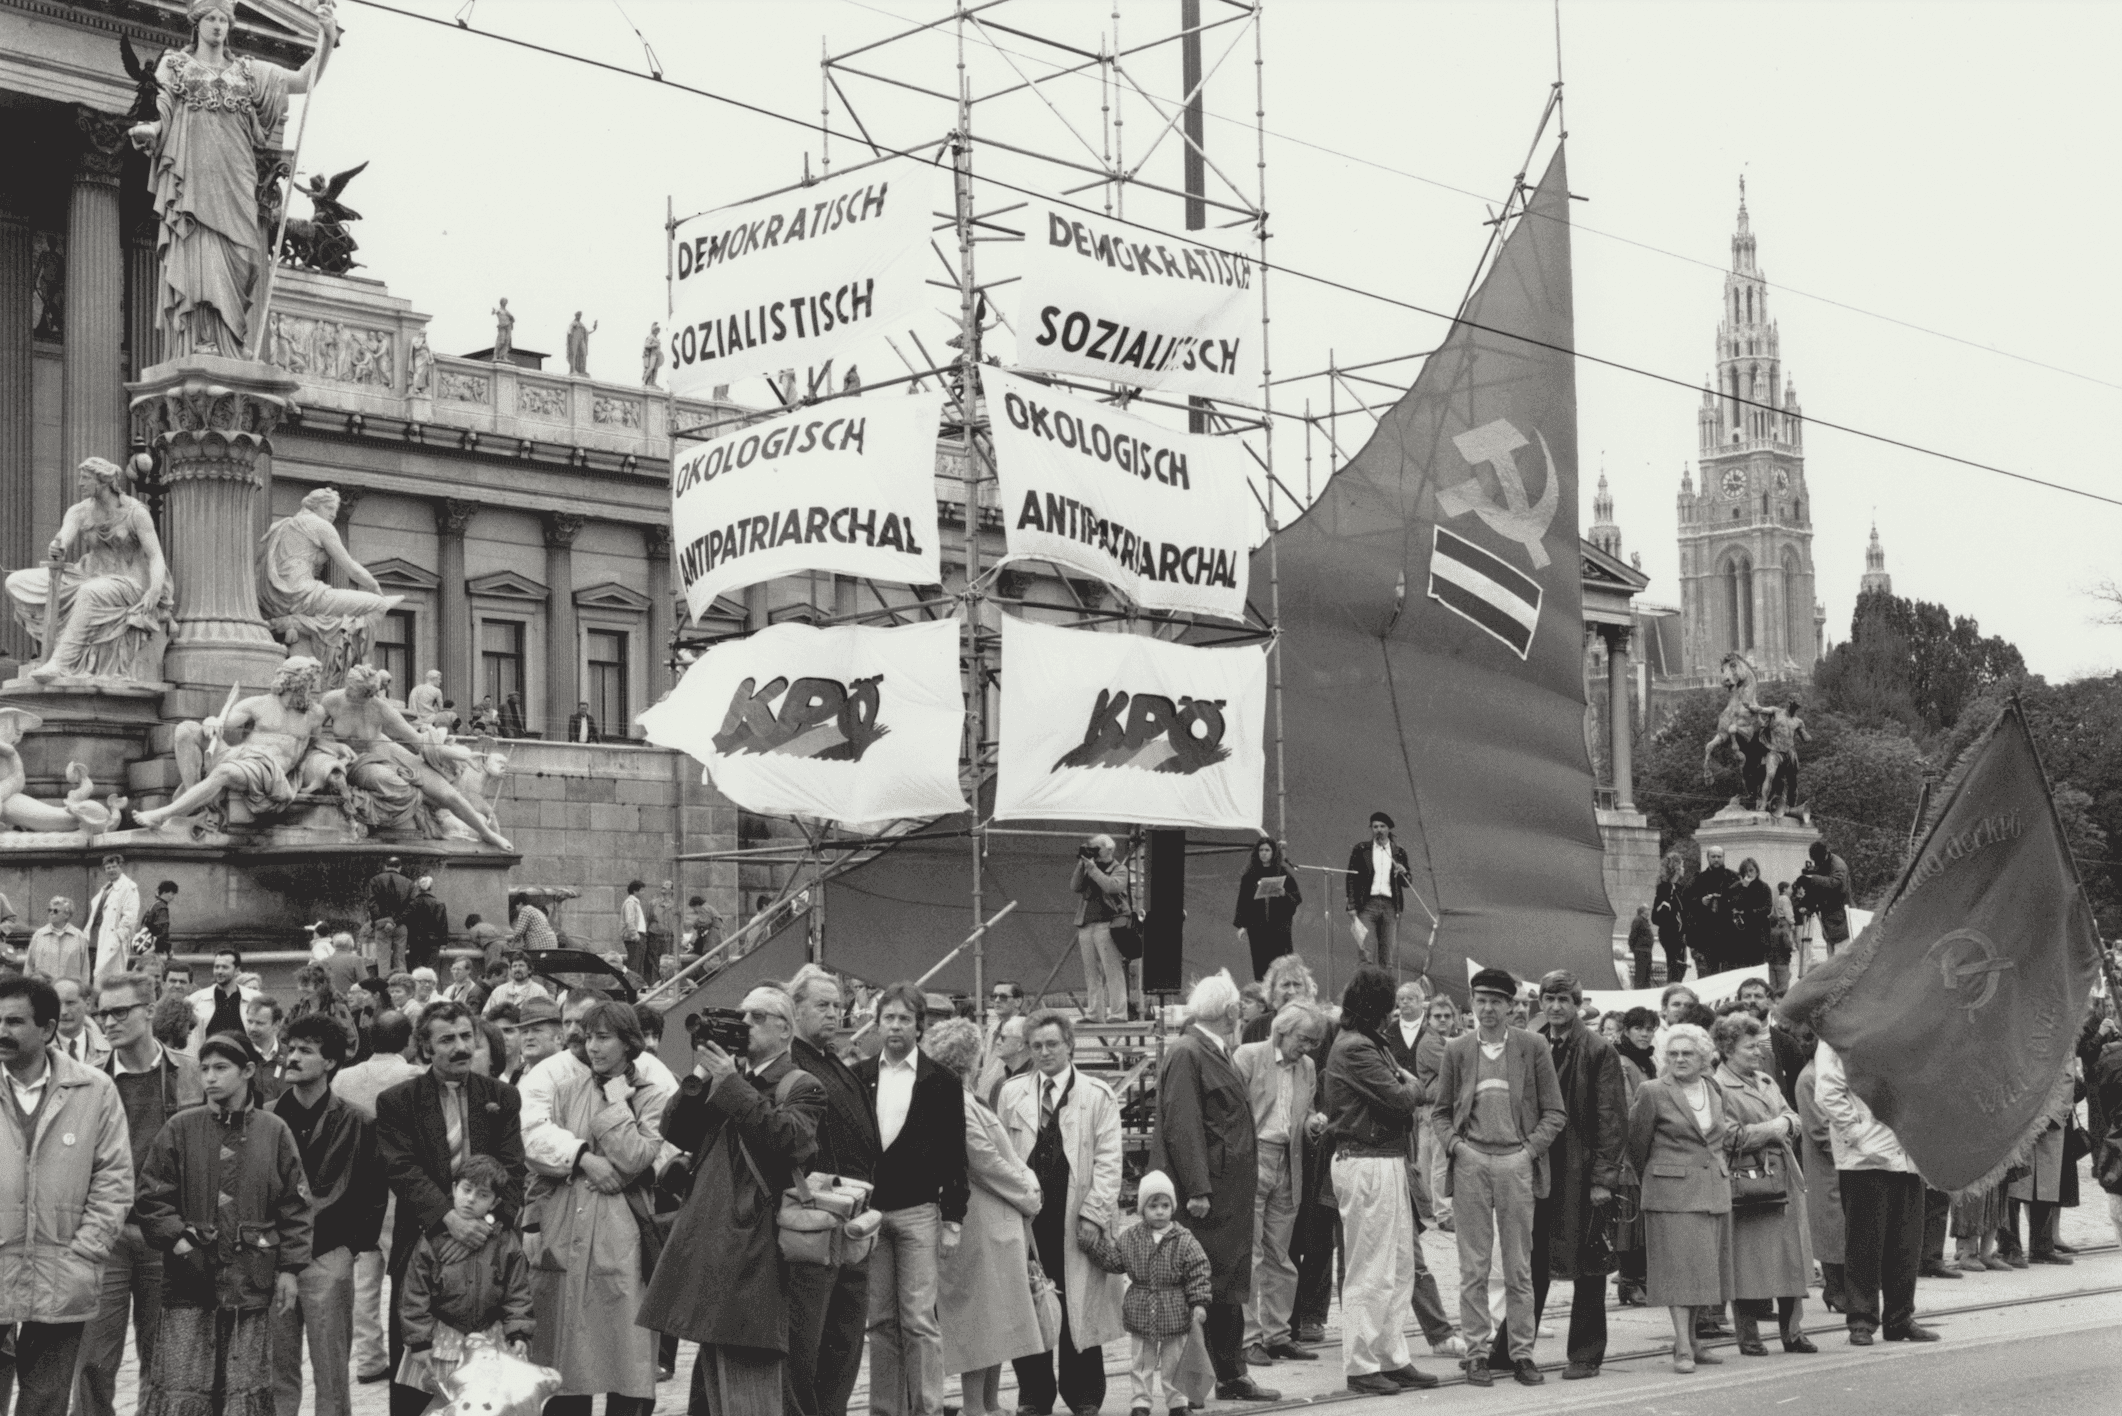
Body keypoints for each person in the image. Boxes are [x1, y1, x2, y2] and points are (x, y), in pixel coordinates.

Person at [637, 984, 825, 1416]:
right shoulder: (728, 1075)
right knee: (713, 1367)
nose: (745, 1025)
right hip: (711, 1236)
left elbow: (791, 1140)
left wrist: (730, 1082)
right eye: (741, 1016)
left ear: (785, 1029)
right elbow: (677, 1131)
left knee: (750, 1374)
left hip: (757, 1242)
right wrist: (700, 1076)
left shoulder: (803, 1084)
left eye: (757, 1017)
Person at [133, 1030, 312, 1416]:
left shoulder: (273, 1130)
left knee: (244, 1385)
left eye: (221, 1068)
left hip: (251, 1281)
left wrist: (290, 1270)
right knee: (185, 1385)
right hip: (189, 1281)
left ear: (248, 1070)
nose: (210, 1077)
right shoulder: (181, 1128)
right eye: (205, 1069)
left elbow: (294, 1205)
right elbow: (151, 1196)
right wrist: (178, 1239)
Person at [374, 1001, 528, 1416]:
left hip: (491, 1256)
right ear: (425, 1049)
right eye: (447, 1039)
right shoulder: (396, 1102)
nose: (460, 1047)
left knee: (490, 1385)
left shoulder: (502, 1098)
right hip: (422, 1251)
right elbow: (401, 1169)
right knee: (417, 1381)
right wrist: (450, 1222)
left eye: (466, 1037)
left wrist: (488, 1225)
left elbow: (514, 1169)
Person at [522, 1000, 673, 1416]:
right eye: (589, 1037)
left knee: (628, 1353)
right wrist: (582, 1155)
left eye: (603, 1037)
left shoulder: (651, 1094)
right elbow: (535, 1152)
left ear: (628, 1043)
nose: (593, 1046)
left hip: (624, 1237)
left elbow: (636, 1158)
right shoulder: (567, 1089)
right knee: (565, 1358)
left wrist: (615, 1104)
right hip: (566, 1230)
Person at [0, 974, 134, 1416]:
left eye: (15, 1021)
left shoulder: (94, 1091)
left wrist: (86, 1252)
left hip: (63, 1275)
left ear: (48, 1029)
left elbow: (114, 1179)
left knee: (45, 1403)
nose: (1, 1030)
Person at [72, 973, 203, 1416]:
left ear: (149, 1011)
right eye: (102, 1013)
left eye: (119, 1011)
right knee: (91, 1361)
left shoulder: (192, 1074)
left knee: (163, 1360)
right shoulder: (88, 1078)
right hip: (105, 1235)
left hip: (165, 1235)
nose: (108, 1021)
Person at [1431, 967, 1565, 1388]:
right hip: (1472, 1160)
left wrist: (1528, 1153)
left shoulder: (1532, 1046)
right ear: (1471, 1004)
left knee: (1518, 1267)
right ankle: (1477, 1354)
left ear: (1512, 1007)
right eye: (1480, 1000)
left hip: (1515, 1162)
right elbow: (1438, 1113)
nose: (1487, 1009)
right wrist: (1458, 1147)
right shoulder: (1457, 1048)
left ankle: (1521, 1354)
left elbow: (1554, 1112)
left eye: (1496, 1001)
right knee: (1473, 1267)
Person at [1149, 971, 1275, 1404]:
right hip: (1209, 1199)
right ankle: (1197, 1384)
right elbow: (1182, 1125)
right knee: (1203, 1288)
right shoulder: (1190, 1052)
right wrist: (1197, 1189)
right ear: (1230, 1012)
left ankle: (1229, 1374)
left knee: (1226, 1285)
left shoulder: (1211, 1049)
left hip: (1228, 1196)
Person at [1500, 971, 1627, 1381]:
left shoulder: (1597, 1049)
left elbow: (1612, 1118)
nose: (1556, 1007)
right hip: (1538, 1167)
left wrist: (1604, 1179)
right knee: (1532, 1260)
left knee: (1589, 1262)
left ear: (1578, 1003)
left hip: (1581, 1172)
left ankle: (1586, 1354)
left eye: (1564, 1000)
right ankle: (1513, 1348)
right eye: (1549, 999)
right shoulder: (1531, 1043)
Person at [1323, 965, 1443, 1395]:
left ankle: (1391, 1356)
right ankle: (1360, 1363)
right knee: (1369, 1269)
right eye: (1388, 1006)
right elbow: (1400, 1098)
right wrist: (1410, 1085)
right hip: (1366, 1160)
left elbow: (1405, 1092)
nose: (1393, 1014)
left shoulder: (1368, 1043)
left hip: (1384, 1158)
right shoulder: (1357, 1049)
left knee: (1397, 1267)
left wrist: (1406, 1085)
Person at [1000, 1011, 1127, 1416]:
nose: (1044, 1052)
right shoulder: (1012, 1094)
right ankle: (1034, 1396)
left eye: (1052, 1044)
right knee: (1030, 1304)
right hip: (1028, 1220)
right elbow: (1001, 1155)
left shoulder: (1097, 1095)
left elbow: (1109, 1161)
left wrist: (1093, 1215)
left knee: (1079, 1309)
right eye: (1036, 1046)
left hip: (1077, 1222)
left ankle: (1085, 1396)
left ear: (1069, 1045)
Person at [855, 982, 969, 1416]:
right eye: (889, 1018)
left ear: (919, 1026)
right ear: (877, 1024)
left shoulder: (941, 1081)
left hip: (920, 1213)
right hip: (871, 1216)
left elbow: (955, 1154)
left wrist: (953, 1218)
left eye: (905, 1018)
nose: (896, 1026)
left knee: (919, 1320)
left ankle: (927, 1408)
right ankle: (886, 1409)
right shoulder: (861, 1076)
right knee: (881, 1322)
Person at [922, 1017, 1044, 1416]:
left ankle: (989, 1402)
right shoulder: (956, 1099)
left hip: (994, 1224)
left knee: (996, 1320)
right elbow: (983, 1159)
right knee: (978, 1320)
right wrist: (1027, 1190)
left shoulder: (964, 1096)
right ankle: (976, 1406)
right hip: (979, 1224)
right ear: (970, 1058)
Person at [272, 1012, 386, 1416]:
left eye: (306, 1050)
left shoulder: (360, 1121)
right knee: (276, 1373)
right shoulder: (267, 1118)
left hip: (329, 1256)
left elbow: (374, 1191)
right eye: (291, 1048)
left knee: (332, 1373)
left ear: (331, 1063)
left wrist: (351, 1247)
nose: (293, 1057)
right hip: (274, 1258)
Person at [784, 967, 881, 1416]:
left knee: (844, 1337)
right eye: (822, 1005)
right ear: (795, 1008)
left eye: (837, 1006)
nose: (833, 1014)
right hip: (816, 1221)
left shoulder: (832, 1059)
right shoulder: (791, 1064)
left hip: (854, 1222)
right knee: (808, 1339)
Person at [5, 456, 174, 685]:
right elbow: (64, 536)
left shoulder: (135, 512)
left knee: (90, 592)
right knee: (16, 582)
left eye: (85, 479)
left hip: (129, 583)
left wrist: (154, 590)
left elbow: (155, 556)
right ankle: (55, 647)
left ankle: (61, 662)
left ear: (103, 481)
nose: (79, 484)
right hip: (89, 575)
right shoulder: (79, 511)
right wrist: (58, 547)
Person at [1626, 1023, 1734, 1373]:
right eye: (1672, 1054)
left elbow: (1718, 1139)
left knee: (1704, 1270)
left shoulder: (1713, 1088)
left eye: (1687, 1053)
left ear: (1703, 1057)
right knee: (1678, 1271)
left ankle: (1694, 1341)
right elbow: (1636, 1144)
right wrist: (1659, 1177)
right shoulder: (1653, 1090)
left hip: (1712, 1190)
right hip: (1671, 1193)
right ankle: (1683, 1347)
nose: (1679, 1059)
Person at [1812, 1040, 1936, 1345]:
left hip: (1908, 1153)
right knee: (1865, 1244)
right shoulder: (1839, 1032)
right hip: (1864, 1160)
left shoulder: (1904, 1026)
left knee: (1906, 1244)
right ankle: (1861, 1321)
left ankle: (1899, 1318)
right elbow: (1828, 1092)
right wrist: (1857, 1134)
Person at [1710, 1012, 1815, 1356]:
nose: (1757, 1052)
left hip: (1784, 1177)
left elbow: (1794, 1118)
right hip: (1748, 1183)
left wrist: (1784, 1123)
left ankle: (1793, 1331)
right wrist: (1776, 1127)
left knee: (1791, 1258)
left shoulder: (1766, 1081)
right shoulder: (1718, 1085)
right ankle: (1748, 1334)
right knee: (1748, 1261)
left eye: (1758, 1046)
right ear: (1727, 1049)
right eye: (1749, 1047)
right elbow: (1727, 1136)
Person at [1232, 1001, 1327, 1369]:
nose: (1307, 1047)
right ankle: (1249, 1338)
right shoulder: (1248, 1057)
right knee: (1252, 1254)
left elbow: (1302, 1115)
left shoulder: (1307, 1067)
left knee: (1280, 1254)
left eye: (1313, 1042)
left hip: (1290, 1160)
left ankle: (1278, 1335)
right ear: (1282, 1030)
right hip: (1253, 1159)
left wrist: (1312, 1123)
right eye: (1304, 1038)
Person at [393, 1153, 535, 1400]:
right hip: (445, 1341)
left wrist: (518, 1333)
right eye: (466, 1190)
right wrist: (419, 1341)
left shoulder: (505, 1242)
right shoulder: (432, 1241)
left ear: (494, 1203)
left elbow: (517, 1291)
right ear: (454, 1188)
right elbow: (415, 1294)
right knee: (447, 1401)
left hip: (490, 1338)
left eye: (482, 1195)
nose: (470, 1200)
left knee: (488, 1401)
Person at [1084, 1170, 1212, 1416]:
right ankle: (1140, 1403)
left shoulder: (1184, 1239)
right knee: (1141, 1362)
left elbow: (1199, 1269)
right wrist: (1094, 1247)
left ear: (1172, 1207)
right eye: (1153, 1205)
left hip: (1175, 1309)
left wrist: (1199, 1302)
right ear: (1142, 1208)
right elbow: (1114, 1261)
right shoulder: (1131, 1238)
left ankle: (1178, 1403)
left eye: (1165, 1205)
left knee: (1174, 1363)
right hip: (1141, 1310)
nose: (1160, 1211)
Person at [1069, 835, 1131, 1024]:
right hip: (1086, 924)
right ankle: (1095, 1013)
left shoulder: (1120, 869)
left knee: (1112, 970)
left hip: (1108, 924)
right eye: (1091, 848)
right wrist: (1082, 865)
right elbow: (1075, 887)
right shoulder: (1088, 866)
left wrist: (1093, 869)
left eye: (1096, 848)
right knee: (1091, 973)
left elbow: (1112, 886)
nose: (1093, 852)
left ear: (1109, 850)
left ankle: (1119, 1014)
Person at [1343, 812, 1412, 972]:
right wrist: (1351, 905)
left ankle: (1384, 994)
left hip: (1390, 906)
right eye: (1375, 827)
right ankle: (1363, 993)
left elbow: (1407, 882)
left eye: (1382, 826)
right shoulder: (1361, 849)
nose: (1378, 830)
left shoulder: (1399, 852)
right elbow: (1351, 878)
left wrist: (1404, 872)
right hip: (1366, 905)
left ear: (1389, 829)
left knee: (1386, 957)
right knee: (1365, 953)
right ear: (1371, 829)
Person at [1232, 838, 1302, 982]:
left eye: (1267, 850)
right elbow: (1243, 902)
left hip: (1279, 928)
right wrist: (1242, 925)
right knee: (1260, 965)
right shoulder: (1249, 875)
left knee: (1282, 965)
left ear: (1273, 852)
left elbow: (1296, 898)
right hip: (1257, 928)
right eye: (1261, 850)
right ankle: (1263, 997)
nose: (1264, 854)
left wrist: (1284, 894)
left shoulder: (1283, 873)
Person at [83, 854, 140, 983]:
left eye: (114, 866)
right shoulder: (107, 888)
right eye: (108, 868)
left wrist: (117, 938)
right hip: (94, 942)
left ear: (121, 867)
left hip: (110, 943)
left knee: (109, 982)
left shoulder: (128, 887)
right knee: (92, 979)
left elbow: (130, 917)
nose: (111, 870)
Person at [1791, 841, 1851, 963]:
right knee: (1831, 959)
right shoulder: (1823, 864)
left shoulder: (1838, 866)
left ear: (1826, 854)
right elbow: (1818, 890)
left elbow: (1836, 884)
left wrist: (1811, 879)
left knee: (1840, 960)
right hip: (1829, 922)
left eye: (1819, 860)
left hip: (1840, 920)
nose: (1817, 864)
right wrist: (1807, 904)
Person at [186, 948, 257, 1050]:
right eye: (216, 967)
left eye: (225, 967)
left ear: (236, 971)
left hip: (244, 1062)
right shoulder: (196, 999)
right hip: (208, 1061)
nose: (219, 971)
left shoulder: (254, 999)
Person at [1681, 847, 1737, 978]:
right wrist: (1700, 902)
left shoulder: (1733, 877)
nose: (1716, 859)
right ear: (1708, 858)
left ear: (1723, 857)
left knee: (1728, 975)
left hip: (1728, 934)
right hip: (1705, 936)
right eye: (1713, 856)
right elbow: (1686, 901)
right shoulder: (1698, 878)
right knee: (1708, 976)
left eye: (1719, 856)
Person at [26, 896, 89, 986]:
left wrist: (84, 991)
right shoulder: (39, 935)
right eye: (49, 910)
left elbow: (85, 970)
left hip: (68, 991)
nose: (51, 913)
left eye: (55, 911)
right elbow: (28, 966)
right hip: (43, 990)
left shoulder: (79, 937)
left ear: (66, 914)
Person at [1724, 859, 1773, 973]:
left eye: (1751, 870)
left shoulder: (1764, 887)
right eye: (1745, 871)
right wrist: (1745, 888)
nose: (1749, 874)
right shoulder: (1735, 888)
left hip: (1758, 932)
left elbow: (1767, 908)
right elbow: (1736, 905)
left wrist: (1749, 912)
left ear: (1757, 871)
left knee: (1758, 967)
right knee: (1742, 968)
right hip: (1741, 934)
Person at [367, 857, 415, 975]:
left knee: (383, 961)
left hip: (382, 926)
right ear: (400, 868)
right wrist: (395, 921)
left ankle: (385, 990)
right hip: (400, 926)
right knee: (400, 960)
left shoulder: (375, 880)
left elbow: (371, 903)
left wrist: (383, 921)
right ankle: (402, 987)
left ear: (386, 867)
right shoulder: (409, 883)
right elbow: (411, 907)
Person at [51, 978, 110, 1067]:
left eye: (70, 1003)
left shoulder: (109, 1048)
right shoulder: (39, 1051)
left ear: (88, 1004)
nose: (63, 1012)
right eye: (56, 1004)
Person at [244, 992, 289, 1102]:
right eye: (249, 1022)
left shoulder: (291, 1057)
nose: (252, 1028)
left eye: (260, 1023)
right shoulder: (239, 1056)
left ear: (277, 1024)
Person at [1652, 853, 1688, 985]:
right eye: (1682, 865)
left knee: (1681, 967)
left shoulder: (1678, 889)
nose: (1684, 869)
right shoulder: (1664, 888)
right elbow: (1656, 917)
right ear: (1677, 868)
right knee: (1675, 967)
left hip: (1679, 935)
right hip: (1670, 934)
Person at [405, 876, 449, 974]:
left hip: (415, 942)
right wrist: (444, 942)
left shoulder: (412, 904)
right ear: (430, 888)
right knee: (430, 971)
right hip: (433, 942)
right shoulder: (439, 904)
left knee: (416, 971)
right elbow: (443, 924)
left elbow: (408, 923)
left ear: (419, 888)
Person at [483, 952, 549, 1017]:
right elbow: (485, 1016)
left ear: (529, 970)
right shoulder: (498, 991)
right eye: (514, 966)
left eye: (521, 965)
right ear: (511, 970)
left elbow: (546, 1018)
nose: (517, 969)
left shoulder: (539, 992)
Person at [1767, 885, 1797, 992]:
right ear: (1784, 889)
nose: (1790, 890)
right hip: (1784, 921)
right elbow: (1788, 912)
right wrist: (1792, 922)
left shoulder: (1777, 899)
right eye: (1789, 888)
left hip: (1772, 962)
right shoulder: (1785, 899)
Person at [140, 880, 179, 961]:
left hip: (145, 946)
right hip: (155, 949)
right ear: (164, 892)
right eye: (172, 894)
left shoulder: (154, 906)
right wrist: (169, 950)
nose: (173, 897)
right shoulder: (161, 908)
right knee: (154, 971)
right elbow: (162, 931)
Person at [1628, 904, 1656, 989]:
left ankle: (1645, 988)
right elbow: (1633, 935)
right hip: (1641, 951)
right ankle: (1640, 990)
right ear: (1643, 911)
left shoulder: (1644, 920)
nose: (1649, 912)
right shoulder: (1638, 920)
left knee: (1646, 974)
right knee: (1641, 975)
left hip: (1646, 951)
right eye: (1647, 909)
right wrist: (1633, 948)